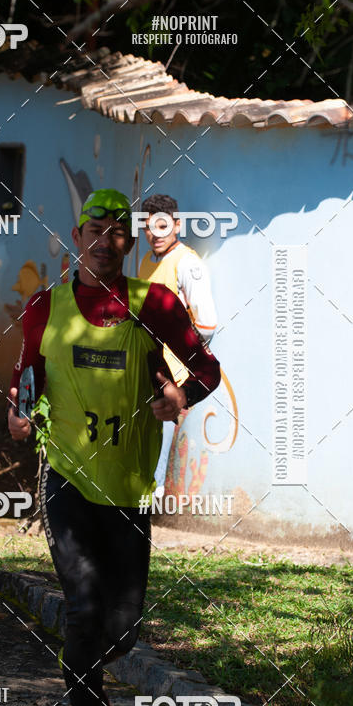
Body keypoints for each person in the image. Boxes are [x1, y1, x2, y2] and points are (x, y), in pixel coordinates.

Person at [7, 188, 221, 706]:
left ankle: (89, 684)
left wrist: (182, 396)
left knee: (122, 627)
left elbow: (206, 368)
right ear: (77, 239)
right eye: (93, 232)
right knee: (81, 609)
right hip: (67, 480)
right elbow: (26, 381)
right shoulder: (45, 307)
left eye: (116, 233)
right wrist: (20, 417)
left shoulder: (152, 302)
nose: (105, 242)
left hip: (127, 490)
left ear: (128, 243)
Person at [138, 194, 218, 496]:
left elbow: (207, 323)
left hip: (169, 375)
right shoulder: (148, 262)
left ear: (177, 224)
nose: (154, 234)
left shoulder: (186, 264)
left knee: (157, 441)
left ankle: (150, 501)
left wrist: (182, 362)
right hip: (144, 364)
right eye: (148, 227)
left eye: (162, 225)